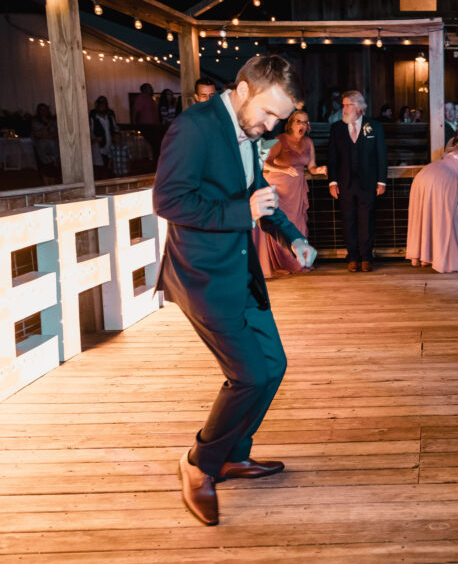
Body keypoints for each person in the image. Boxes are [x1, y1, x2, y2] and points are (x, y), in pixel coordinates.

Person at [153, 54, 316, 526]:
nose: (271, 125)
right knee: (248, 374)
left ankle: (232, 454)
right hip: (202, 276)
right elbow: (168, 199)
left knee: (273, 366)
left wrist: (293, 237)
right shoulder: (195, 127)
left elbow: (258, 196)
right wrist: (239, 213)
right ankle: (198, 464)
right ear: (243, 89)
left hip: (241, 272)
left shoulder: (250, 132)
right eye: (267, 113)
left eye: (279, 118)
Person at [405, 118, 458, 272]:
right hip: (443, 179)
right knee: (446, 220)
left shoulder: (454, 149)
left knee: (427, 215)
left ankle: (422, 257)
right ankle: (442, 259)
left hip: (425, 174)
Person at [255, 109, 327, 277]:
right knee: (282, 224)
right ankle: (284, 262)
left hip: (297, 190)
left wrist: (319, 170)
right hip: (280, 189)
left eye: (305, 122)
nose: (302, 125)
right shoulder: (280, 140)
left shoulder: (308, 142)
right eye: (298, 121)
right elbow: (264, 164)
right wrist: (284, 168)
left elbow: (312, 167)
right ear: (291, 124)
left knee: (299, 225)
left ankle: (301, 260)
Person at [327, 91, 389, 272]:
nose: (344, 109)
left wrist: (382, 182)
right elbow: (332, 157)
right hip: (345, 184)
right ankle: (352, 257)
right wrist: (332, 182)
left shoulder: (374, 127)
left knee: (366, 220)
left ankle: (366, 257)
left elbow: (381, 155)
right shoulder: (337, 128)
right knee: (348, 221)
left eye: (348, 105)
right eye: (343, 105)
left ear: (359, 107)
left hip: (368, 183)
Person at [89, 95, 119, 174]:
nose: (102, 106)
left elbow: (115, 128)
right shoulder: (93, 116)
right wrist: (94, 139)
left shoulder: (110, 115)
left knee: (110, 168)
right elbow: (89, 132)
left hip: (110, 146)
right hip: (98, 147)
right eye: (101, 104)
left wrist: (115, 137)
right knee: (100, 168)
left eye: (104, 104)